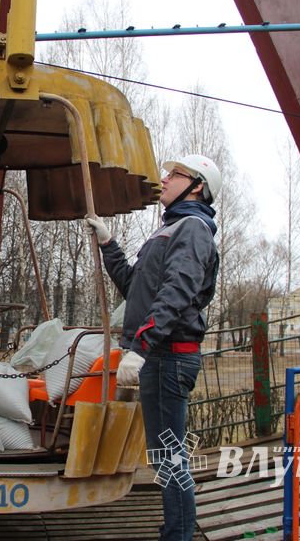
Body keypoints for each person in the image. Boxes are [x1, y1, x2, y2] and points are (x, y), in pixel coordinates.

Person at [86, 154, 220, 541]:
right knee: (165, 454)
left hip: (167, 355)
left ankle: (178, 535)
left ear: (198, 186)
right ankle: (175, 528)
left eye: (175, 174)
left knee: (169, 455)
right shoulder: (172, 230)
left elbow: (178, 291)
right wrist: (109, 243)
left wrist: (141, 347)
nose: (164, 179)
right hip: (159, 354)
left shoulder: (192, 228)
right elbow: (136, 289)